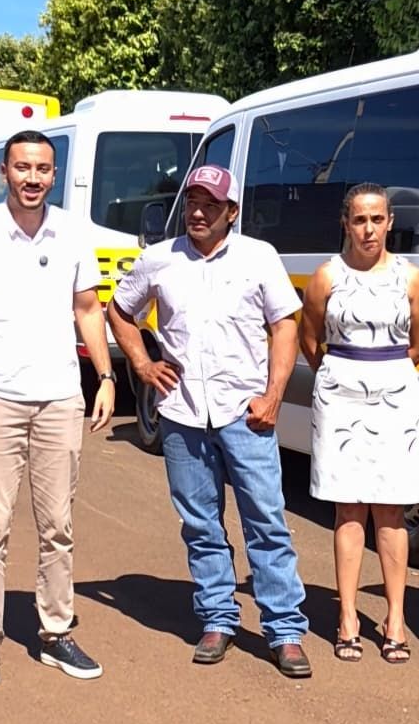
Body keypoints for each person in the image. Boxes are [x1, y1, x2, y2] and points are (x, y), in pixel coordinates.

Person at [107, 164, 311, 677]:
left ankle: (284, 630)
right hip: (182, 415)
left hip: (247, 415)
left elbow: (285, 324)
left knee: (266, 522)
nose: (198, 212)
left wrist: (274, 395)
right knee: (200, 524)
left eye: (210, 204)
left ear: (232, 212)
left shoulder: (258, 258)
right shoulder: (159, 259)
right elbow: (119, 310)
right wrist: (141, 363)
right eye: (192, 202)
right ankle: (218, 618)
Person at [0, 130, 115, 688]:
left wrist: (105, 377)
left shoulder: (71, 233)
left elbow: (88, 308)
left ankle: (55, 634)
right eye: (22, 168)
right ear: (4, 173)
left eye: (42, 169)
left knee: (58, 525)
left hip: (60, 396)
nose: (32, 178)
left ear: (54, 175)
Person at [299, 183, 419, 663]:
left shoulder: (411, 277)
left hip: (395, 392)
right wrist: (342, 375)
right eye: (359, 219)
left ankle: (396, 617)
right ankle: (349, 616)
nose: (368, 229)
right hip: (340, 395)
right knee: (349, 509)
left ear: (390, 222)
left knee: (392, 509)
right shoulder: (326, 276)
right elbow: (309, 338)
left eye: (377, 219)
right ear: (345, 222)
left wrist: (384, 373)